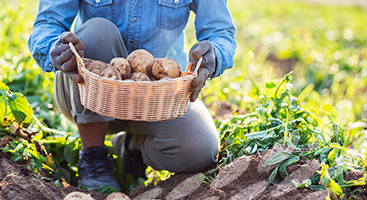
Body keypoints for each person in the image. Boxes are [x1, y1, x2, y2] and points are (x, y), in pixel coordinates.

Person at [28, 0, 236, 191]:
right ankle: (92, 154)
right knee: (99, 31)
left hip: (160, 100)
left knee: (200, 148)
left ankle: (130, 145)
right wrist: (52, 47)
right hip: (87, 95)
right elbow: (48, 22)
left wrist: (214, 54)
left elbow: (220, 32)